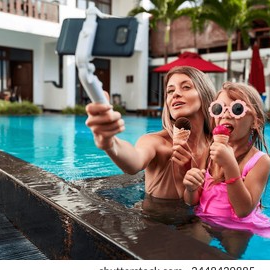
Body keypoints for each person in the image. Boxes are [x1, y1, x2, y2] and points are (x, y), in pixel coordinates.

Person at [183, 81, 270, 246]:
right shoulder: (208, 151)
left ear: (256, 122)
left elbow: (242, 211)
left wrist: (230, 166)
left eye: (236, 109)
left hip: (238, 227)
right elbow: (192, 201)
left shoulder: (260, 161)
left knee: (232, 259)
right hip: (204, 218)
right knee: (191, 248)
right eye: (218, 108)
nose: (226, 115)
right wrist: (190, 188)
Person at [85, 66, 216, 200]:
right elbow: (133, 163)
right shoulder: (157, 143)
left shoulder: (214, 146)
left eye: (186, 87)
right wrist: (110, 142)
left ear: (205, 94)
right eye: (170, 91)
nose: (175, 94)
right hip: (156, 217)